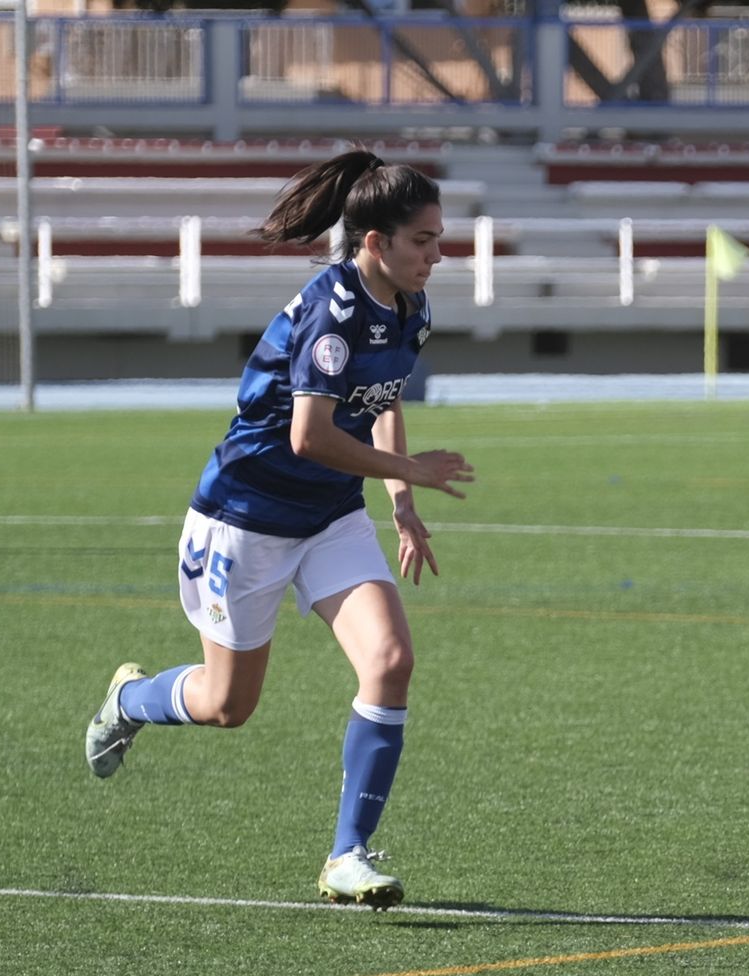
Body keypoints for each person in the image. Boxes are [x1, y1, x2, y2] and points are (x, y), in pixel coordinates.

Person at [83, 151, 474, 910]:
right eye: (422, 239)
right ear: (373, 242)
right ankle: (131, 700)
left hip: (328, 515)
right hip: (245, 519)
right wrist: (413, 469)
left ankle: (346, 856)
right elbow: (309, 436)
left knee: (390, 661)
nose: (437, 253)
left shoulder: (411, 307)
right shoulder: (332, 311)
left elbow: (384, 394)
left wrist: (399, 498)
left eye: (438, 238)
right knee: (229, 706)